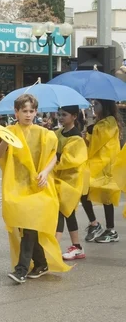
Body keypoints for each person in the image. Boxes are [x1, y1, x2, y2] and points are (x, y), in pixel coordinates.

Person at [0, 94, 72, 284]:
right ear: (16, 112)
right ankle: (41, 263)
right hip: (16, 187)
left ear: (36, 112)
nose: (28, 115)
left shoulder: (45, 133)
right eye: (24, 111)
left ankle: (21, 270)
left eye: (31, 111)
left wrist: (45, 172)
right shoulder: (8, 131)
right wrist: (6, 140)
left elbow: (54, 156)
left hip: (39, 187)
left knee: (29, 227)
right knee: (26, 227)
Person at [81, 99, 122, 243]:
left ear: (105, 106)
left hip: (105, 166)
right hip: (97, 164)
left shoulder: (110, 121)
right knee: (84, 192)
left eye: (97, 104)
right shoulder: (102, 122)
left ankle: (111, 229)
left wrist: (91, 129)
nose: (94, 106)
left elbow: (100, 135)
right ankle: (95, 224)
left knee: (106, 197)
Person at [54, 106, 87, 260]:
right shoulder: (59, 133)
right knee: (68, 213)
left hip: (71, 181)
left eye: (64, 115)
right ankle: (77, 246)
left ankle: (53, 247)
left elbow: (70, 160)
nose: (60, 117)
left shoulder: (76, 138)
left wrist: (56, 155)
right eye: (59, 114)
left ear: (74, 116)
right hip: (59, 179)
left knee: (62, 211)